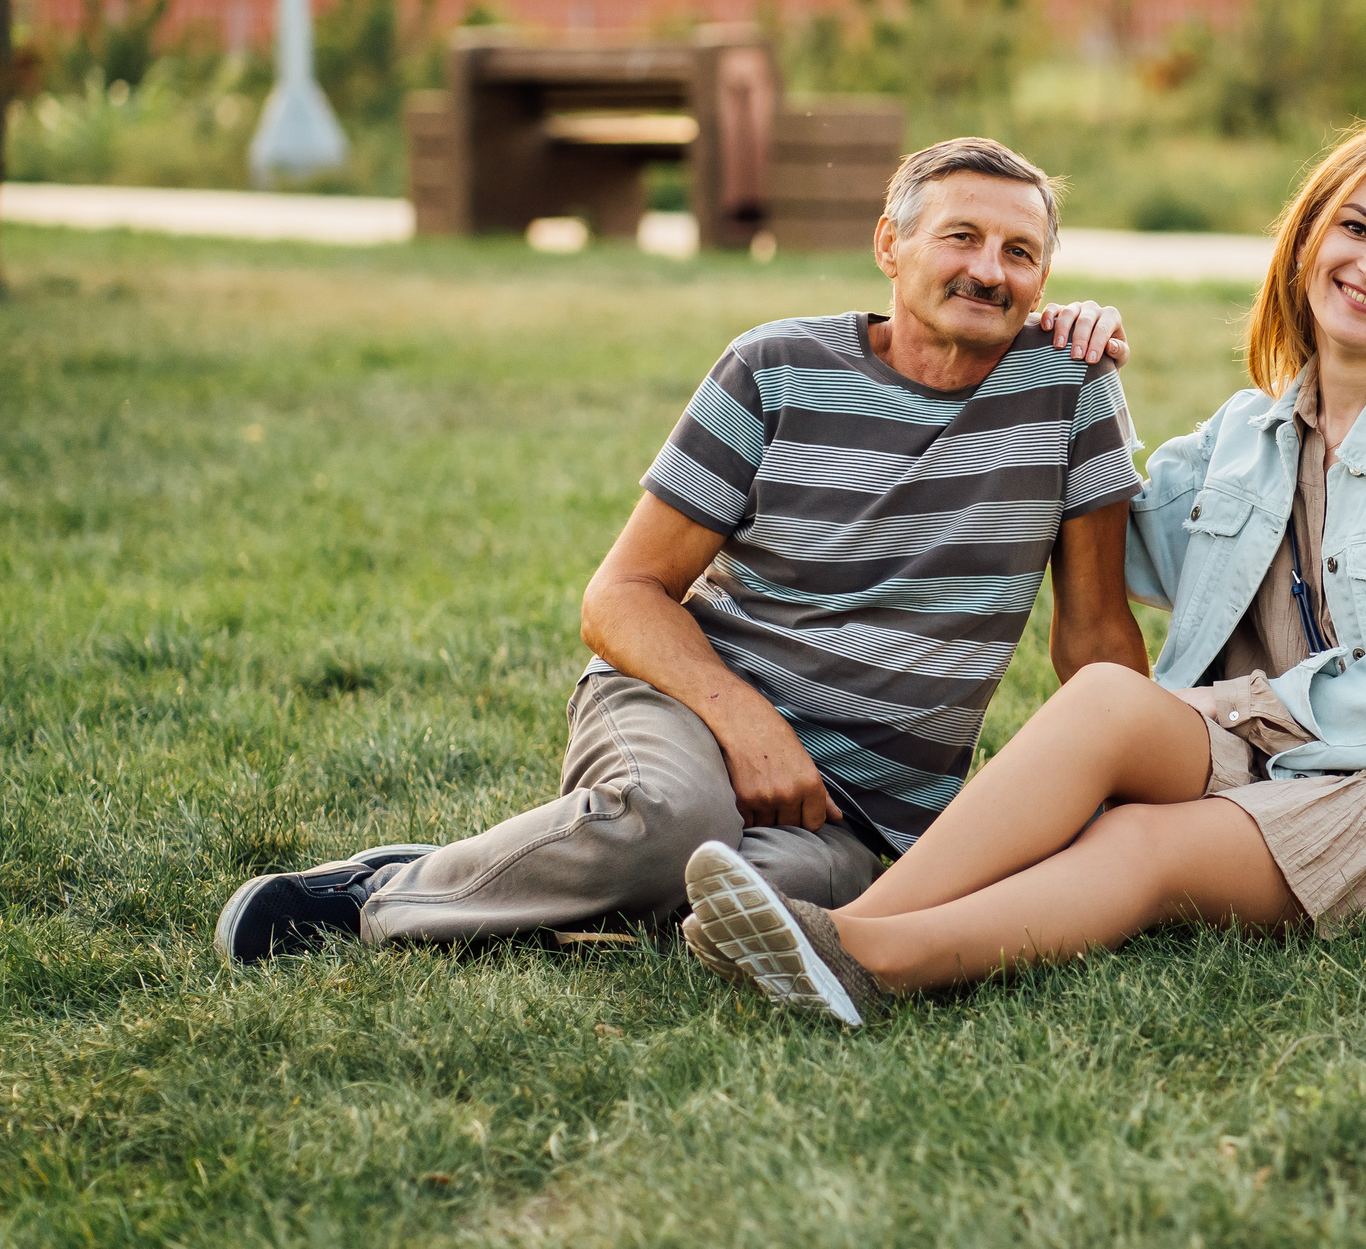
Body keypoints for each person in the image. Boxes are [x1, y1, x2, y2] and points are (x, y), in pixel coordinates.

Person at [677, 123, 1366, 1025]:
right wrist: (1055, 357)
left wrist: (1243, 711)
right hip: (1267, 753)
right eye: (1357, 230)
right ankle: (847, 930)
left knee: (1138, 841)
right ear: (1307, 245)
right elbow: (1098, 523)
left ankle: (868, 958)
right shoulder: (1244, 436)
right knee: (1105, 704)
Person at [216, 137, 1149, 963]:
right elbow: (620, 594)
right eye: (962, 237)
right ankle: (380, 898)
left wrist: (1130, 817)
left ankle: (548, 878)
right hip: (689, 704)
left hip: (861, 812)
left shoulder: (1070, 392)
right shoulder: (774, 369)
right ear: (889, 247)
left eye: (1019, 252)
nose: (989, 271)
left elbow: (1097, 635)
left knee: (747, 894)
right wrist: (748, 723)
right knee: (673, 825)